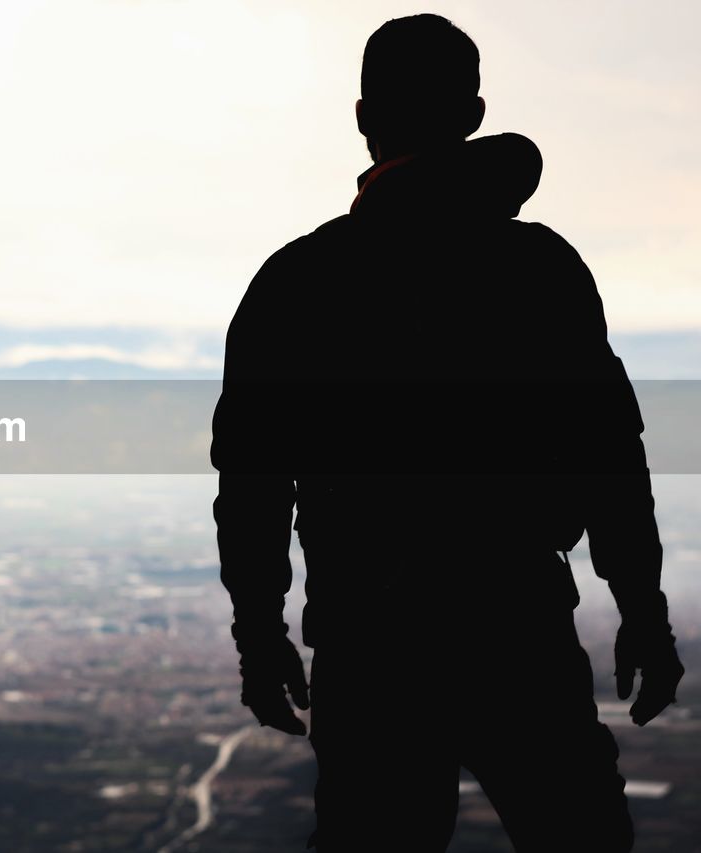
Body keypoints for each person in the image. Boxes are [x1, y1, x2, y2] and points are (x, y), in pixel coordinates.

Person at [210, 14, 684, 852]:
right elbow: (611, 452)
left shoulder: (297, 280)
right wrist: (643, 611)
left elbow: (251, 481)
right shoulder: (541, 267)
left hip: (370, 645)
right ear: (473, 112)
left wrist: (260, 635)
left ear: (363, 117)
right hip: (518, 628)